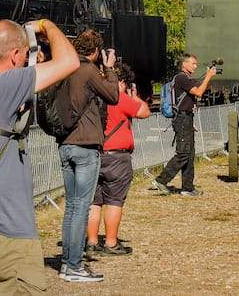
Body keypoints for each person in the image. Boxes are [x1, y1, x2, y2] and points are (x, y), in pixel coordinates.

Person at [0, 19, 79, 295]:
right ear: (14, 55)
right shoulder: (3, 87)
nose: (26, 63)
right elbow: (70, 61)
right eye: (24, 57)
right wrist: (47, 26)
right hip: (8, 234)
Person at [58, 29, 119, 283]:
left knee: (71, 207)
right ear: (95, 51)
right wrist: (110, 68)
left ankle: (66, 263)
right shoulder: (87, 69)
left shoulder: (65, 68)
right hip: (85, 145)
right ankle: (74, 265)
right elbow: (113, 96)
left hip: (66, 143)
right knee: (82, 207)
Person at [86, 62, 150, 255]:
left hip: (93, 154)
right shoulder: (119, 98)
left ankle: (91, 241)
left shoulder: (93, 97)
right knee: (114, 200)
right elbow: (144, 111)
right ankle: (111, 243)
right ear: (121, 81)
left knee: (94, 201)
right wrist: (134, 95)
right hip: (117, 158)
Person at [151, 53, 216, 197]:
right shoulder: (181, 78)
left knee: (190, 153)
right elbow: (199, 92)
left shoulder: (186, 79)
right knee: (183, 152)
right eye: (193, 63)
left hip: (186, 118)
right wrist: (209, 76)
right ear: (184, 64)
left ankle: (188, 187)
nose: (195, 66)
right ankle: (161, 180)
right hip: (182, 119)